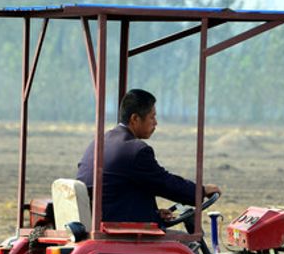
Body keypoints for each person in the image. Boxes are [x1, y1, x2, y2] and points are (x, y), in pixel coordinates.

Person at [76, 88, 221, 226]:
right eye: (152, 117)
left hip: (107, 217)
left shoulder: (99, 142)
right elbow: (164, 183)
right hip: (115, 227)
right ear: (135, 119)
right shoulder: (135, 151)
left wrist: (152, 214)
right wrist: (200, 191)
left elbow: (120, 191)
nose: (155, 122)